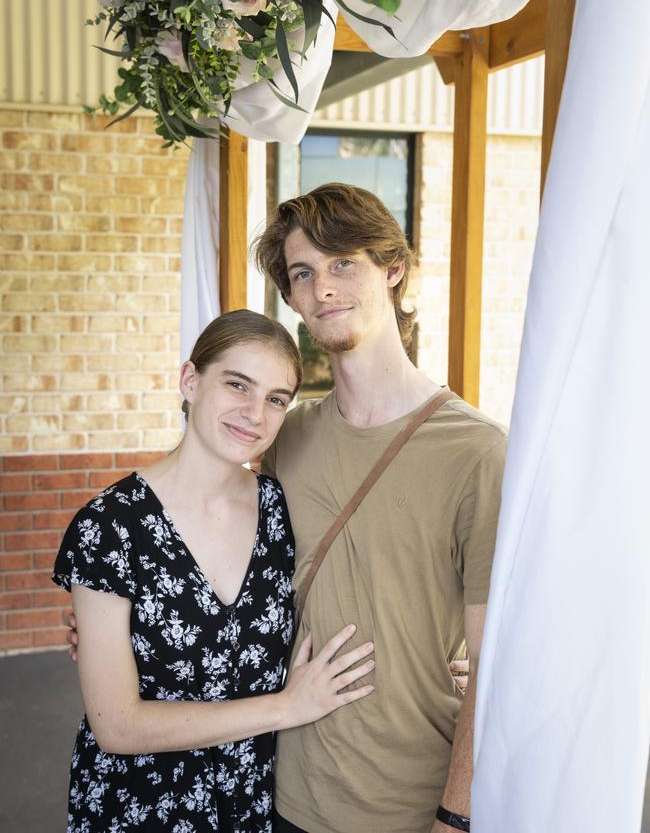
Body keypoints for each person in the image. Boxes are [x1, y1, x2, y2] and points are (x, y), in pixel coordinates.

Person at [53, 310, 375, 833]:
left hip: (249, 800)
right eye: (237, 385)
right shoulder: (110, 526)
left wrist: (444, 656)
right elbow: (117, 726)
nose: (255, 412)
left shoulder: (280, 510)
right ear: (190, 381)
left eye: (276, 399)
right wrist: (287, 708)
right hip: (140, 805)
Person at [253, 183, 507, 833]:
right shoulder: (285, 439)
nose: (323, 288)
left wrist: (455, 815)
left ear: (392, 268)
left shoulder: (477, 452)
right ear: (292, 299)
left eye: (343, 263)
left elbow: (493, 665)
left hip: (412, 805)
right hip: (288, 796)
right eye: (304, 274)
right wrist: (119, 618)